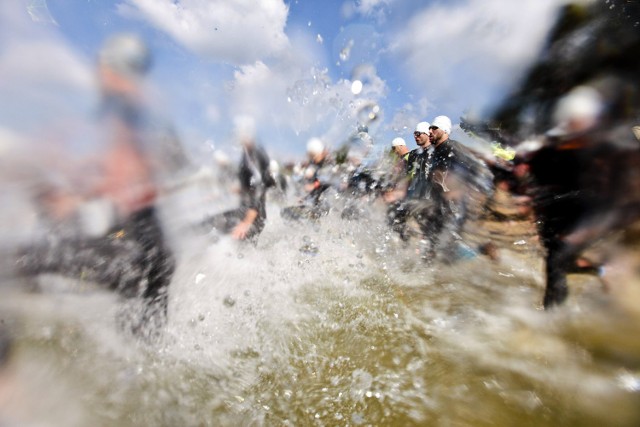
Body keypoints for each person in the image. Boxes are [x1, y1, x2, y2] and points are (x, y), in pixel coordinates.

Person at [11, 33, 181, 339]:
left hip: (136, 254)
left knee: (20, 259)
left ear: (112, 69)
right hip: (153, 255)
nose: (98, 76)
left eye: (102, 67)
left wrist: (73, 196)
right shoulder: (135, 112)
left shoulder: (126, 104)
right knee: (144, 350)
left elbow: (130, 173)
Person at [198, 117, 276, 243]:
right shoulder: (249, 154)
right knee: (212, 225)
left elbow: (259, 188)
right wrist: (240, 189)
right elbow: (257, 185)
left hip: (252, 216)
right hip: (252, 214)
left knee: (209, 225)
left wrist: (246, 222)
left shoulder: (253, 156)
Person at [281, 137, 334, 221]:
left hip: (326, 203)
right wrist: (305, 198)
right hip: (314, 201)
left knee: (310, 214)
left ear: (320, 153)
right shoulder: (314, 165)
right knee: (285, 212)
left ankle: (313, 224)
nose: (312, 157)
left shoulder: (327, 163)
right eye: (311, 155)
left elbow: (329, 180)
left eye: (314, 155)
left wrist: (314, 185)